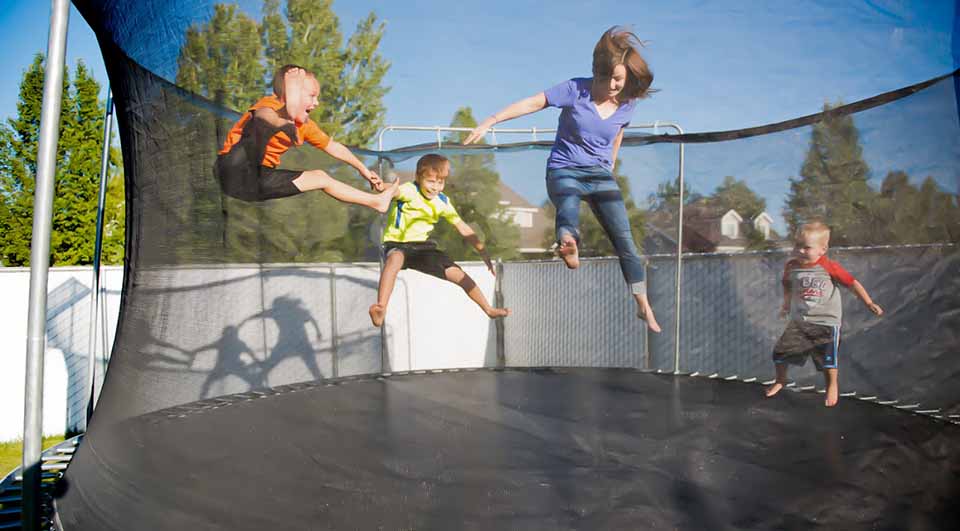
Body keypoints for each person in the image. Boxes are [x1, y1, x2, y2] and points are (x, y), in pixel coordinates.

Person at [463, 27, 661, 332]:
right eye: (605, 78)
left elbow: (618, 132)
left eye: (618, 80)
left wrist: (610, 161)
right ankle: (568, 242)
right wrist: (491, 120)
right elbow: (532, 103)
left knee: (626, 241)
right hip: (564, 168)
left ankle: (642, 305)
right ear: (596, 71)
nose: (611, 85)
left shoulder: (627, 104)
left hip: (599, 175)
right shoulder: (574, 89)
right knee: (567, 205)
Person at [215, 65, 396, 210]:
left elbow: (333, 147)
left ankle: (376, 202)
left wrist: (363, 170)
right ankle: (286, 116)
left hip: (256, 182)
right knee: (263, 123)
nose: (316, 102)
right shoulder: (271, 103)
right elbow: (263, 115)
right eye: (312, 96)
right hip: (232, 166)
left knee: (320, 177)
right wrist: (282, 124)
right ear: (287, 93)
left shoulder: (305, 126)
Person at [368, 154, 510, 327]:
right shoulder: (409, 190)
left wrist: (483, 252)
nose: (435, 188)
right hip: (397, 244)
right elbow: (392, 189)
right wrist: (381, 185)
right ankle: (381, 307)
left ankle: (488, 309)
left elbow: (463, 228)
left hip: (423, 248)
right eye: (430, 181)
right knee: (395, 258)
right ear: (418, 178)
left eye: (440, 183)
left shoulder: (442, 202)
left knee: (459, 274)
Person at [765, 221, 883, 407]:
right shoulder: (791, 266)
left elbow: (852, 283)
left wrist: (868, 302)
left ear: (822, 249)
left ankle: (832, 386)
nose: (801, 251)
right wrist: (786, 305)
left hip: (826, 321)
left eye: (807, 247)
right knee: (779, 353)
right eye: (797, 246)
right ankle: (781, 380)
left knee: (827, 361)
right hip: (800, 321)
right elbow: (788, 286)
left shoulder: (829, 266)